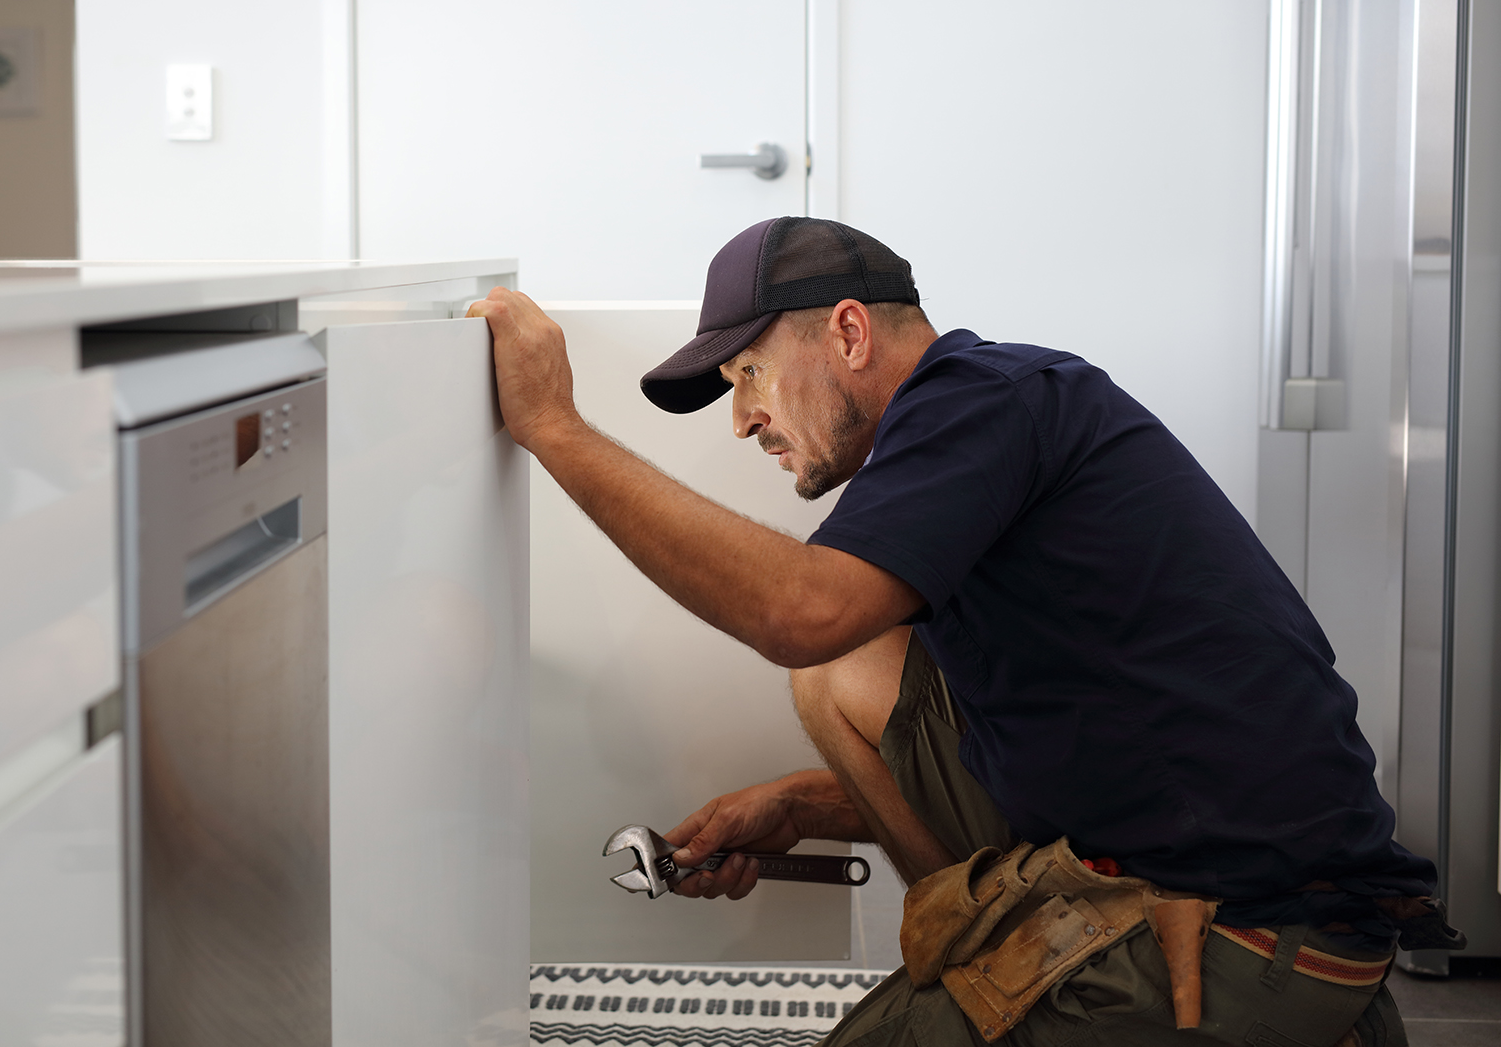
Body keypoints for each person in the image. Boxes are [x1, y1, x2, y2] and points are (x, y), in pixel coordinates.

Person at [468, 217, 1459, 1047]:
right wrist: (806, 807)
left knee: (833, 646)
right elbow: (1026, 727)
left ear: (849, 333)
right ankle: (994, 948)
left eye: (749, 374)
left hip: (1253, 932)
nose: (743, 419)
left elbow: (799, 612)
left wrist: (555, 424)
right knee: (849, 672)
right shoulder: (975, 425)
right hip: (1207, 862)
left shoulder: (980, 400)